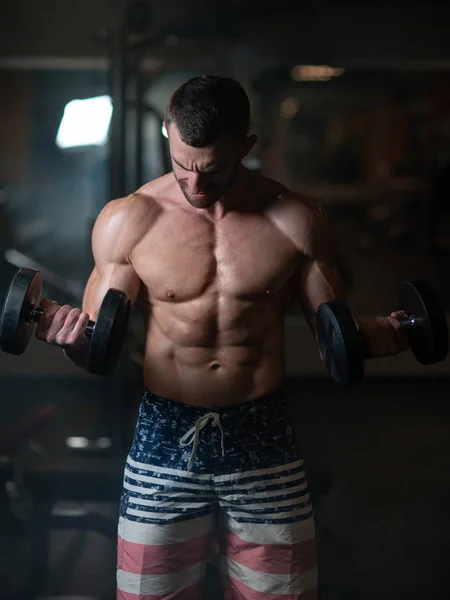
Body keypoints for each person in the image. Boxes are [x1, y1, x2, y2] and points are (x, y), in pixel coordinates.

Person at [36, 75, 408, 599]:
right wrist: (71, 337)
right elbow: (99, 348)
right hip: (165, 435)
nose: (194, 184)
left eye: (212, 170)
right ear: (168, 132)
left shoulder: (297, 220)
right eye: (182, 164)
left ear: (247, 147)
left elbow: (336, 336)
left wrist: (379, 337)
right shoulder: (128, 221)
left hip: (263, 435)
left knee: (281, 593)